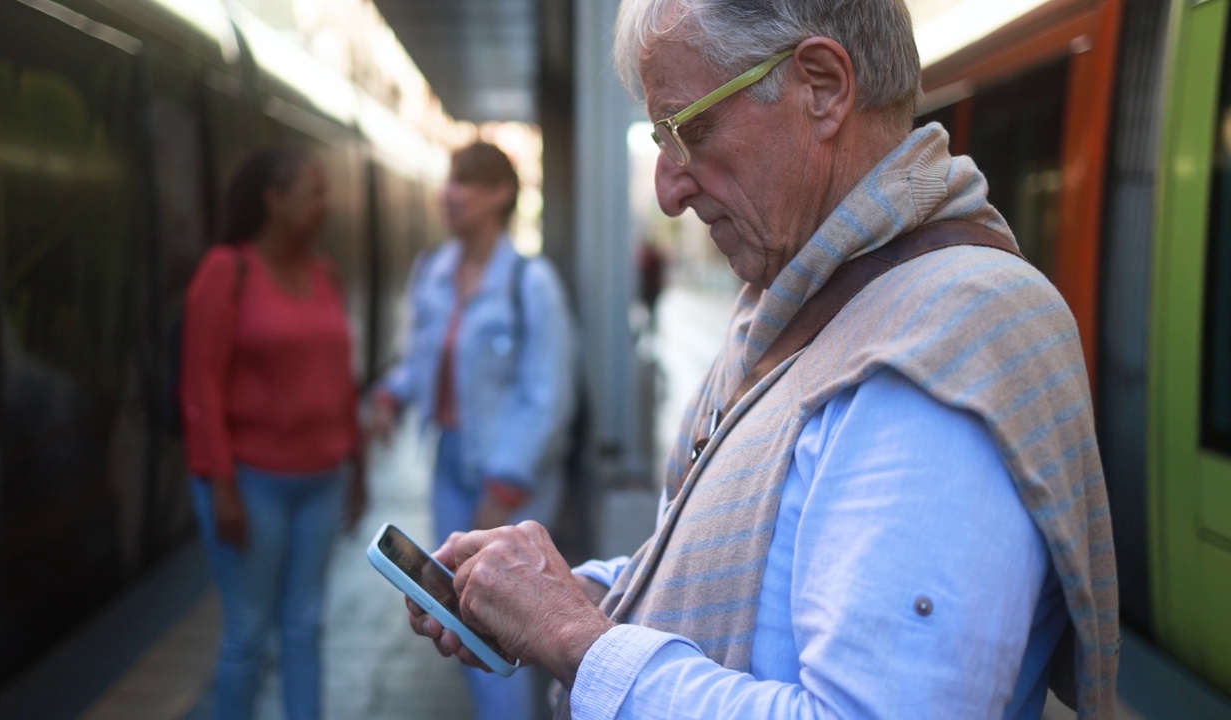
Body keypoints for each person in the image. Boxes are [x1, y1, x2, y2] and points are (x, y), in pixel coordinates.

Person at [406, 1, 1121, 719]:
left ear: (822, 87)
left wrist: (572, 637)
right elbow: (739, 584)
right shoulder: (798, 297)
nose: (668, 188)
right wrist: (566, 595)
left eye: (690, 130)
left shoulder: (950, 340)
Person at [369, 141, 577, 720]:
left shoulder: (531, 284)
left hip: (508, 477)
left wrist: (504, 485)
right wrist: (390, 395)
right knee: (461, 615)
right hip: (449, 465)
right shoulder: (432, 272)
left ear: (501, 195)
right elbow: (421, 358)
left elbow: (548, 394)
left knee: (497, 618)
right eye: (450, 179)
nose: (449, 193)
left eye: (466, 181)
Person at [181, 148, 366, 720]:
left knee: (305, 624)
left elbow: (339, 381)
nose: (325, 205)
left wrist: (355, 466)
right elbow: (199, 389)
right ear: (275, 201)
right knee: (249, 633)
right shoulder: (226, 270)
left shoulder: (323, 274)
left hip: (321, 481)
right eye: (313, 192)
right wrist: (220, 486)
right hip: (252, 482)